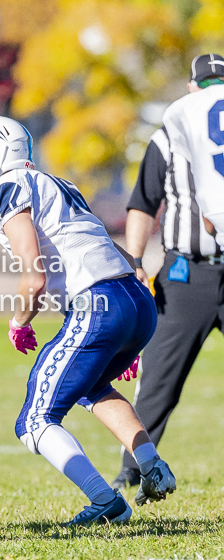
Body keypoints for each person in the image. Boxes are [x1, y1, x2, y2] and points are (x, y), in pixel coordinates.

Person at [0, 116, 176, 525]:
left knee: (35, 420)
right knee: (93, 387)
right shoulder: (59, 184)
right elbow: (112, 250)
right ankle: (152, 466)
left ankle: (106, 502)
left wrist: (19, 321)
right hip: (133, 301)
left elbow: (33, 277)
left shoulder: (7, 188)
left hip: (98, 304)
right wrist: (124, 335)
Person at [111, 54, 224, 489]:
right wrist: (136, 261)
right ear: (193, 91)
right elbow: (144, 201)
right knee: (158, 378)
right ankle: (131, 470)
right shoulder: (168, 138)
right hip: (186, 273)